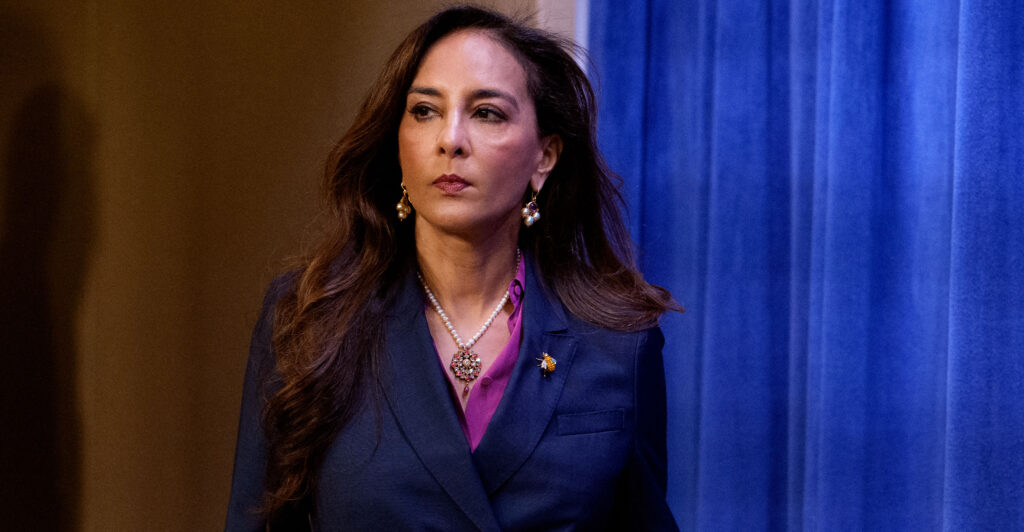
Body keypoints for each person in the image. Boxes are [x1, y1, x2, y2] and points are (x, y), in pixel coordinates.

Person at [226, 5, 681, 531]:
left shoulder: (618, 344)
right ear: (398, 141)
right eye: (425, 111)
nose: (450, 139)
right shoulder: (309, 321)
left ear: (545, 156)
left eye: (487, 113)